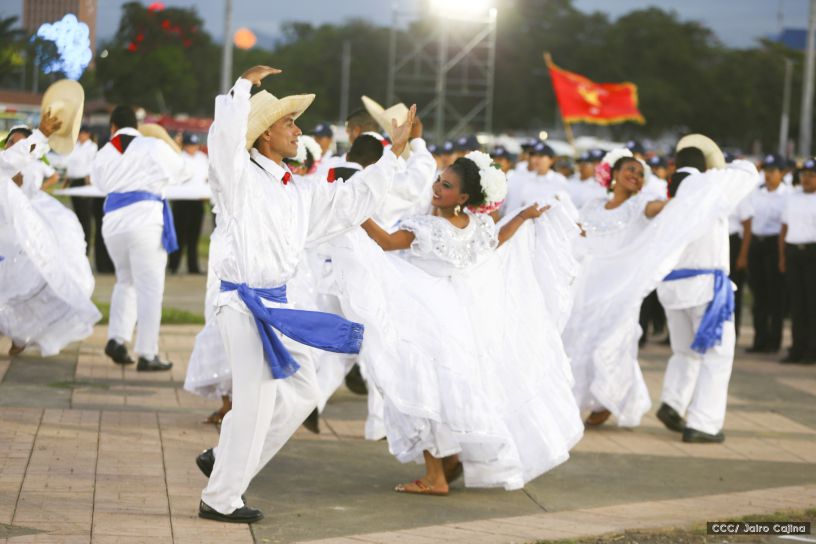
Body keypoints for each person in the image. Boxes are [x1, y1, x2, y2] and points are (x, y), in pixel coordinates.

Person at [193, 65, 413, 523]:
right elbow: (224, 144)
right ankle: (221, 497)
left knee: (304, 391)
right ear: (263, 135)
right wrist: (243, 88)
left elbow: (349, 202)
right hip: (243, 302)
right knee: (255, 401)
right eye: (288, 123)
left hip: (279, 303)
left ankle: (226, 456)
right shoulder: (238, 177)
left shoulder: (296, 189)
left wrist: (394, 153)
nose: (298, 130)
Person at [328, 149, 583, 495]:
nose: (436, 188)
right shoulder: (478, 225)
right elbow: (497, 241)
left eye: (446, 186)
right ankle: (447, 463)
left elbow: (386, 242)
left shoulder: (428, 228)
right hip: (462, 316)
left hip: (426, 313)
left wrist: (354, 210)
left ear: (464, 197)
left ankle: (436, 476)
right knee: (446, 389)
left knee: (423, 387)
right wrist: (522, 217)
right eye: (438, 180)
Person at [656, 135, 759, 443]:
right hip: (703, 285)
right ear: (706, 166)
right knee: (717, 354)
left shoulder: (669, 189)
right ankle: (703, 423)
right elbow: (748, 171)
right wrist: (719, 163)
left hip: (672, 286)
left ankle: (673, 402)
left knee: (684, 351)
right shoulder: (710, 184)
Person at [565, 149, 666, 427]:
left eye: (640, 173)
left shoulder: (640, 205)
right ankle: (587, 398)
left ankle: (609, 397)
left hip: (619, 287)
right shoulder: (593, 205)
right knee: (580, 339)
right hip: (588, 286)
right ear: (614, 175)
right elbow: (575, 232)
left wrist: (687, 195)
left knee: (612, 342)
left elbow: (661, 208)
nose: (635, 176)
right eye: (630, 170)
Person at [91, 106, 191, 371]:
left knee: (125, 281)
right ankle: (148, 354)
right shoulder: (152, 146)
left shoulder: (103, 152)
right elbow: (183, 172)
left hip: (113, 224)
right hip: (144, 220)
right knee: (150, 288)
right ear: (136, 125)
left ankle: (117, 338)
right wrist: (171, 145)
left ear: (113, 127)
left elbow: (100, 185)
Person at [0, 115, 101, 357]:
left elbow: (21, 164)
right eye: (10, 142)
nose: (13, 145)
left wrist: (41, 137)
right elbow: (8, 163)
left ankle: (21, 334)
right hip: (6, 235)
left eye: (19, 142)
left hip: (29, 228)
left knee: (32, 283)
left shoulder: (30, 165)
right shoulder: (5, 165)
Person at [746, 153, 791, 354]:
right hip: (757, 244)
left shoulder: (788, 195)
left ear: (782, 173)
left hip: (775, 245)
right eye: (766, 171)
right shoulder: (756, 192)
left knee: (775, 297)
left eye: (773, 172)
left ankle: (774, 341)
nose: (768, 175)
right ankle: (759, 339)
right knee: (759, 296)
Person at [778, 158, 816, 364]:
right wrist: (783, 256)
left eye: (812, 176)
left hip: (812, 252)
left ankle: (812, 349)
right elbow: (784, 228)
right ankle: (797, 347)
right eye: (804, 176)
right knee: (796, 304)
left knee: (812, 304)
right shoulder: (792, 198)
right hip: (794, 251)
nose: (807, 180)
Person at [168, 133, 208, 274]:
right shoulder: (178, 157)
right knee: (179, 235)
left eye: (195, 145)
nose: (193, 148)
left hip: (197, 201)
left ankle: (193, 266)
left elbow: (206, 177)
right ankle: (173, 265)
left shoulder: (202, 158)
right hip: (181, 201)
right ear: (184, 145)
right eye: (190, 145)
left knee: (194, 236)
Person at [59, 125, 98, 251]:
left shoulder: (92, 147)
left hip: (84, 181)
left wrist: (89, 182)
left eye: (82, 134)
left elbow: (91, 165)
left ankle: (87, 244)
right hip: (74, 181)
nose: (80, 136)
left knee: (85, 215)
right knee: (77, 213)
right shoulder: (76, 147)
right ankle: (80, 242)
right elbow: (68, 163)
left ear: (87, 134)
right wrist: (66, 180)